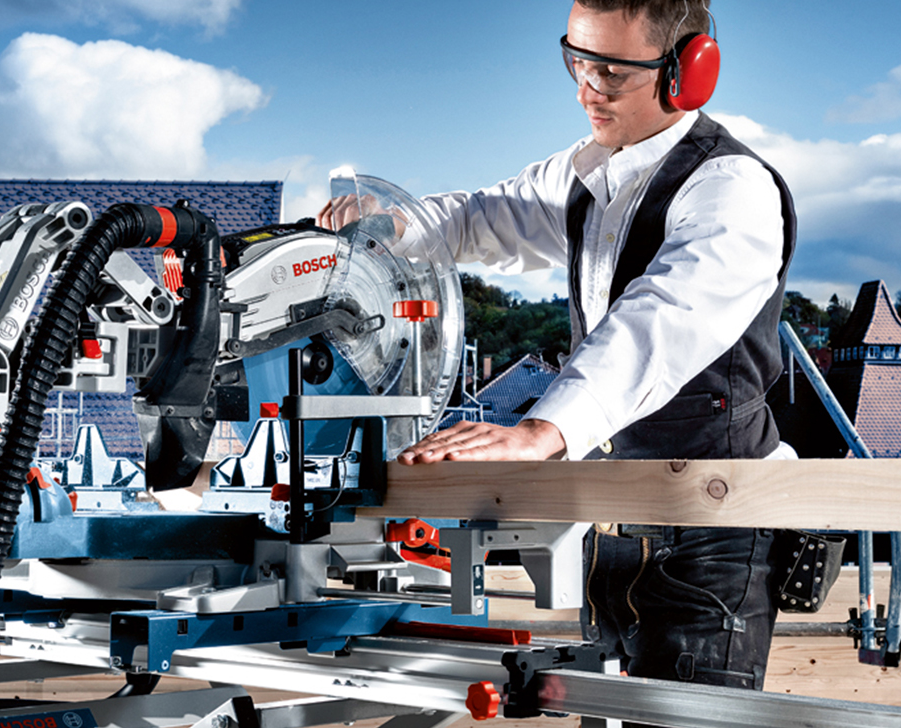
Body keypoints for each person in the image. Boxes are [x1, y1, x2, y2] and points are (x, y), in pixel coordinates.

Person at [320, 0, 796, 694]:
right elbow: (481, 215)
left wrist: (544, 429)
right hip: (613, 525)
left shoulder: (733, 191)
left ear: (687, 74)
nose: (585, 89)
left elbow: (661, 320)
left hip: (712, 525)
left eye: (610, 70)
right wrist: (394, 225)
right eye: (576, 60)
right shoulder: (588, 175)